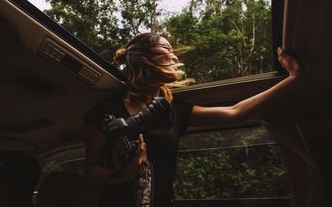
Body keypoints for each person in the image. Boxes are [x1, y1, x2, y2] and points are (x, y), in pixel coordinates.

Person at [84, 32, 302, 207]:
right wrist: (124, 174)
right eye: (167, 49)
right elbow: (91, 173)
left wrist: (293, 80)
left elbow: (235, 112)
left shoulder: (174, 112)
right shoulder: (106, 110)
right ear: (143, 58)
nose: (176, 57)